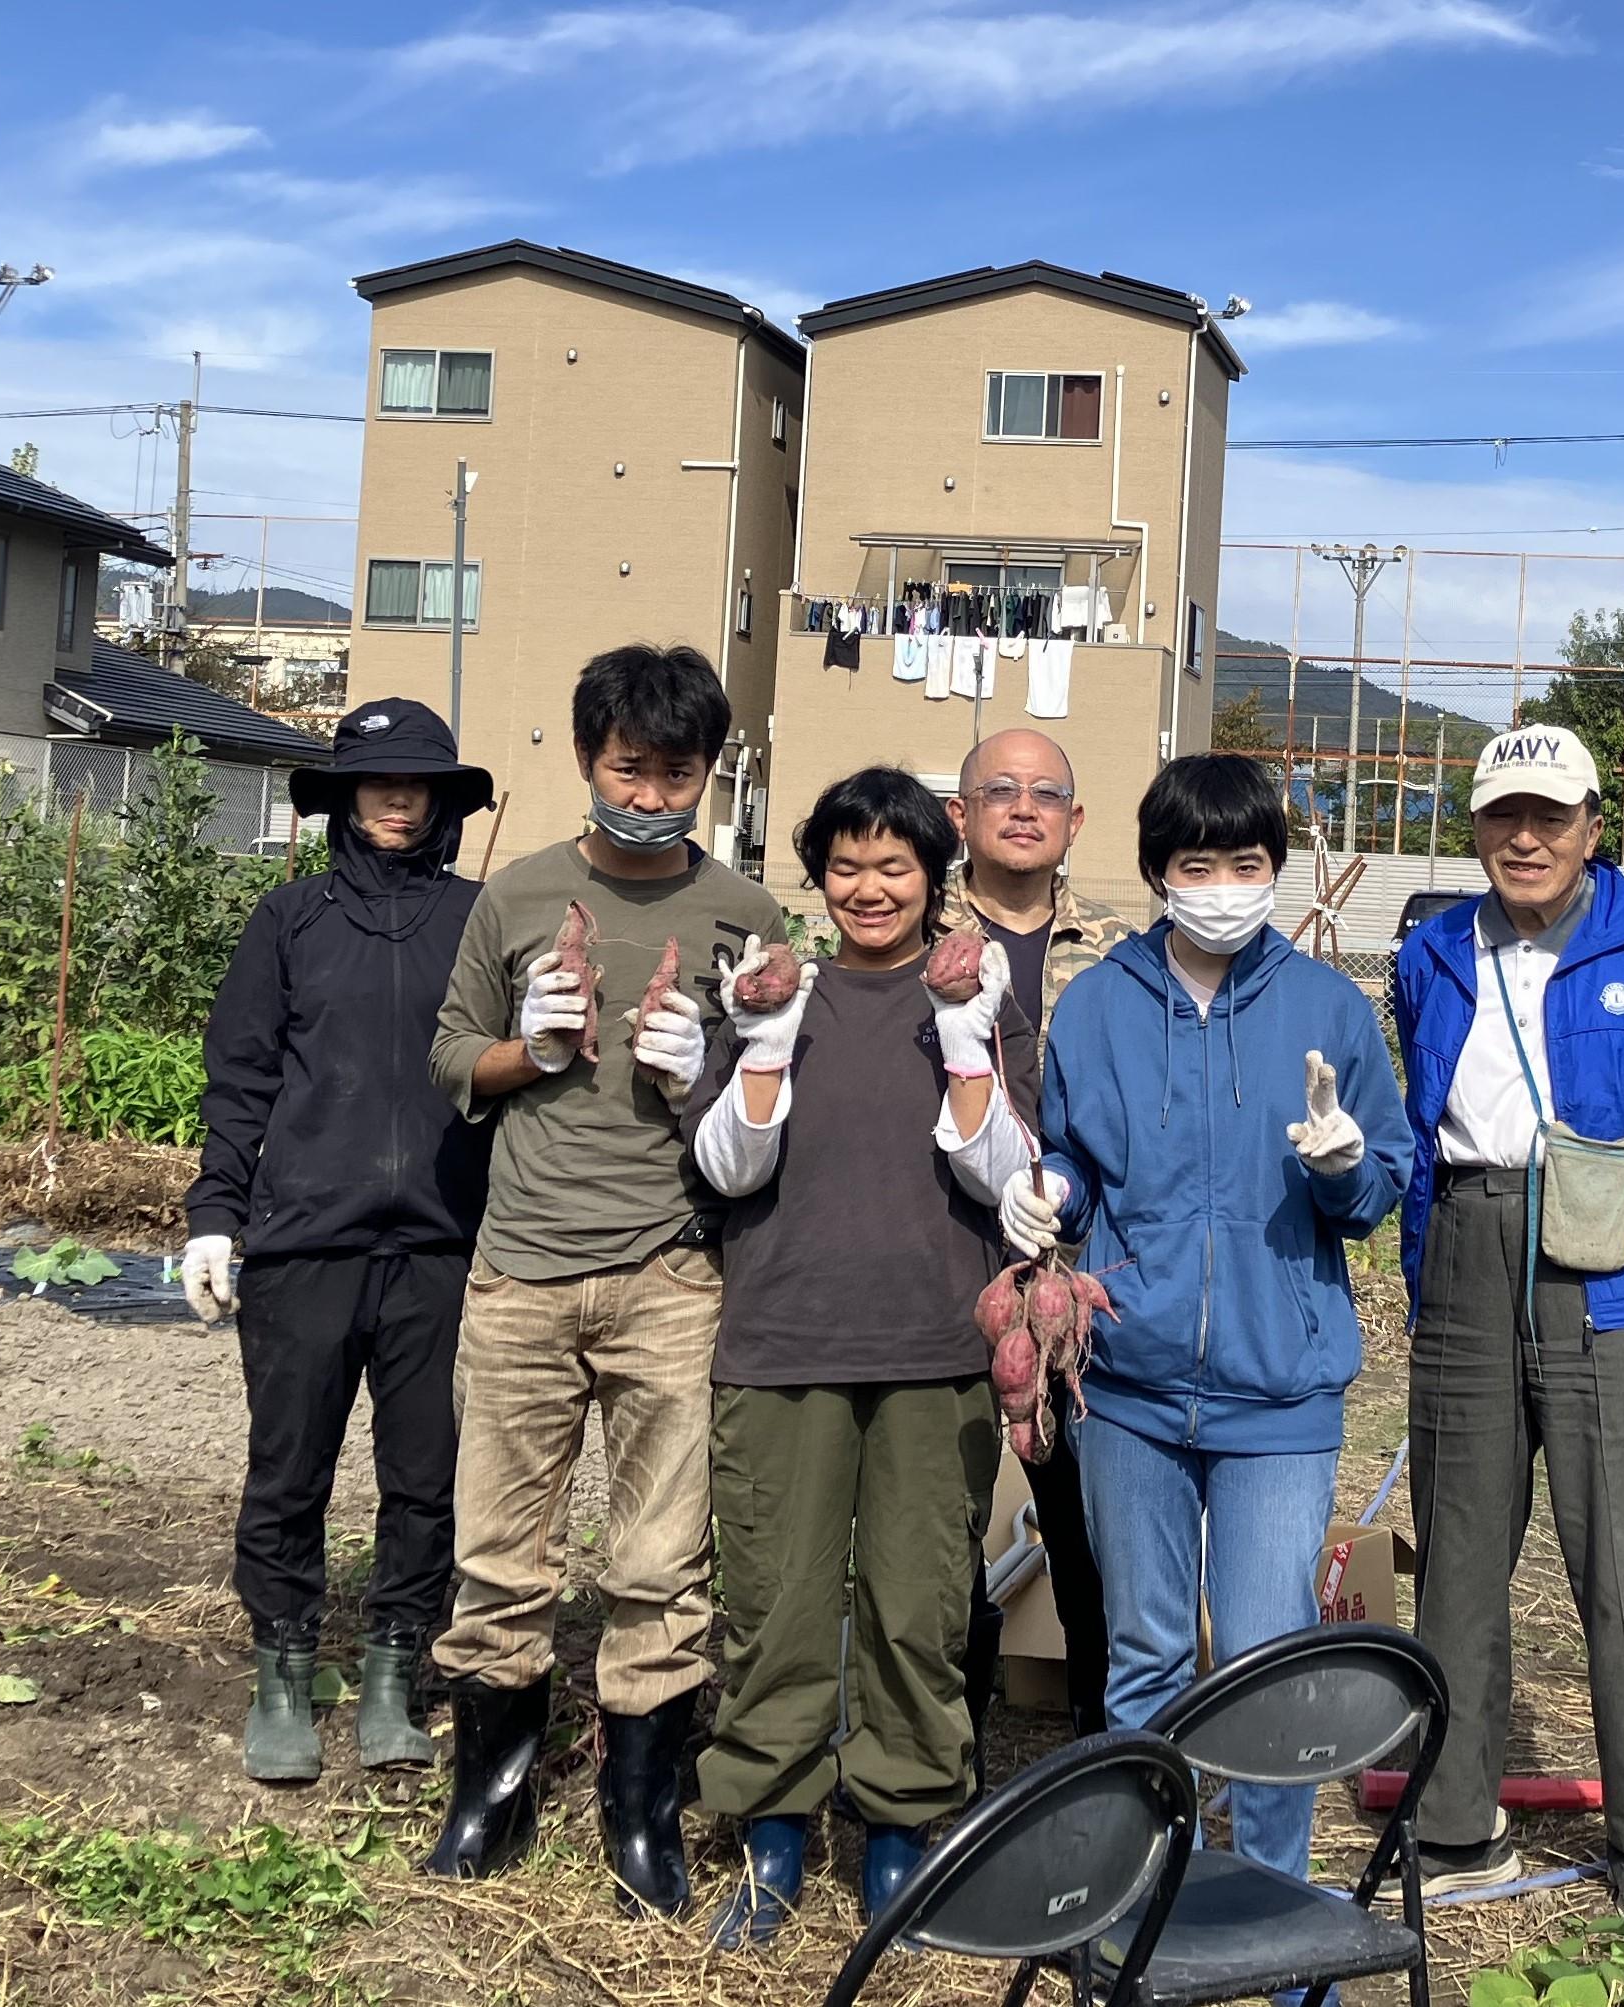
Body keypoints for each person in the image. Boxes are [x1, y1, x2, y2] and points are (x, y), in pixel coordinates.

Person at [1001, 752, 1411, 1891]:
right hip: (1128, 1383)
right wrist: (1052, 1193)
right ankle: (1136, 1890)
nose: (1224, 883)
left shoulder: (1327, 1007)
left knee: (1270, 1660)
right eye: (1198, 863)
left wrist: (1341, 1168)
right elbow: (1077, 1157)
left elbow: (1382, 1181)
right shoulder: (1096, 1005)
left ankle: (1274, 1898)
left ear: (1275, 870)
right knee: (1145, 1651)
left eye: (1247, 861)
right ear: (1158, 874)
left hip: (1280, 1394)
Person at [420, 643, 784, 1919]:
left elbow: (772, 1096)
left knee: (659, 1559)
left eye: (676, 771)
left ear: (707, 773)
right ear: (588, 760)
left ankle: (642, 1814)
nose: (651, 790)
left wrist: (706, 1070)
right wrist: (536, 1047)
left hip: (670, 1269)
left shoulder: (746, 917)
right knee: (499, 1554)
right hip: (518, 1269)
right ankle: (493, 1794)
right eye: (630, 766)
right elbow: (451, 1062)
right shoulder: (514, 897)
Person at [684, 767, 1037, 1946]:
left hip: (937, 1347)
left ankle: (899, 1832)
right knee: (775, 1607)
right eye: (846, 866)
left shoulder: (978, 998)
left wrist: (969, 1043)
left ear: (936, 877)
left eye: (895, 866)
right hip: (782, 1341)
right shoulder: (772, 993)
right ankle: (775, 1835)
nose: (870, 888)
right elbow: (728, 1170)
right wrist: (766, 1043)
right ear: (818, 879)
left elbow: (1015, 1182)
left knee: (916, 1605)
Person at [1389, 723, 1624, 1898]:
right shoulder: (1432, 951)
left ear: (1594, 826)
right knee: (1460, 1551)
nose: (1525, 838)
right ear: (1476, 827)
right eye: (1502, 817)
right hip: (1470, 1246)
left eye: (1550, 816)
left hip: (1621, 1261)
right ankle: (1454, 1825)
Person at [182, 697, 494, 1785]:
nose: (396, 801)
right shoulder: (291, 922)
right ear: (346, 800)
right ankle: (282, 1670)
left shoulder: (480, 919)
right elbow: (243, 1078)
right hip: (305, 1240)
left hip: (442, 1246)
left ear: (443, 802)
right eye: (376, 783)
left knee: (427, 1474)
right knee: (289, 1466)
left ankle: (395, 1671)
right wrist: (216, 1215)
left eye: (416, 785)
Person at [944, 726, 1131, 1744]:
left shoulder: (1116, 951)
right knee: (945, 1511)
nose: (1024, 808)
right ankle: (947, 1746)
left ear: (1074, 821)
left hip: (1072, 1270)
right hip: (938, 1249)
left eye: (1046, 794)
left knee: (1082, 1514)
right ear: (958, 815)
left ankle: (1099, 1734)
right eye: (1000, 790)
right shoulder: (909, 933)